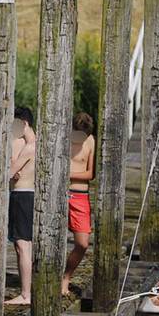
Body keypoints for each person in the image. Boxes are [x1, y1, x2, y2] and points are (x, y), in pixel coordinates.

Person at [62, 112, 97, 297]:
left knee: (82, 243)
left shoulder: (90, 140)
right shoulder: (63, 137)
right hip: (60, 195)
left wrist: (68, 174)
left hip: (79, 195)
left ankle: (66, 276)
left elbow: (90, 173)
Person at [6, 107, 36, 305]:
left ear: (23, 123)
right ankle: (26, 291)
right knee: (21, 245)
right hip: (24, 194)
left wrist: (11, 166)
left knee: (23, 244)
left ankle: (26, 294)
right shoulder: (32, 144)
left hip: (23, 196)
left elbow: (9, 172)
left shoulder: (30, 146)